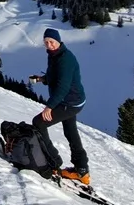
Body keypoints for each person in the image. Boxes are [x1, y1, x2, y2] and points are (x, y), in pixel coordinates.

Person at [29, 27, 89, 184]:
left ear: (59, 41)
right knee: (70, 132)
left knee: (39, 122)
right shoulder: (54, 55)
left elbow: (63, 86)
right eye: (46, 42)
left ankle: (53, 162)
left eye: (52, 42)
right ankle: (82, 170)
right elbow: (54, 75)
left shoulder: (65, 59)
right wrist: (43, 79)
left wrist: (49, 106)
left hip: (70, 102)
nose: (49, 45)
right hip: (71, 101)